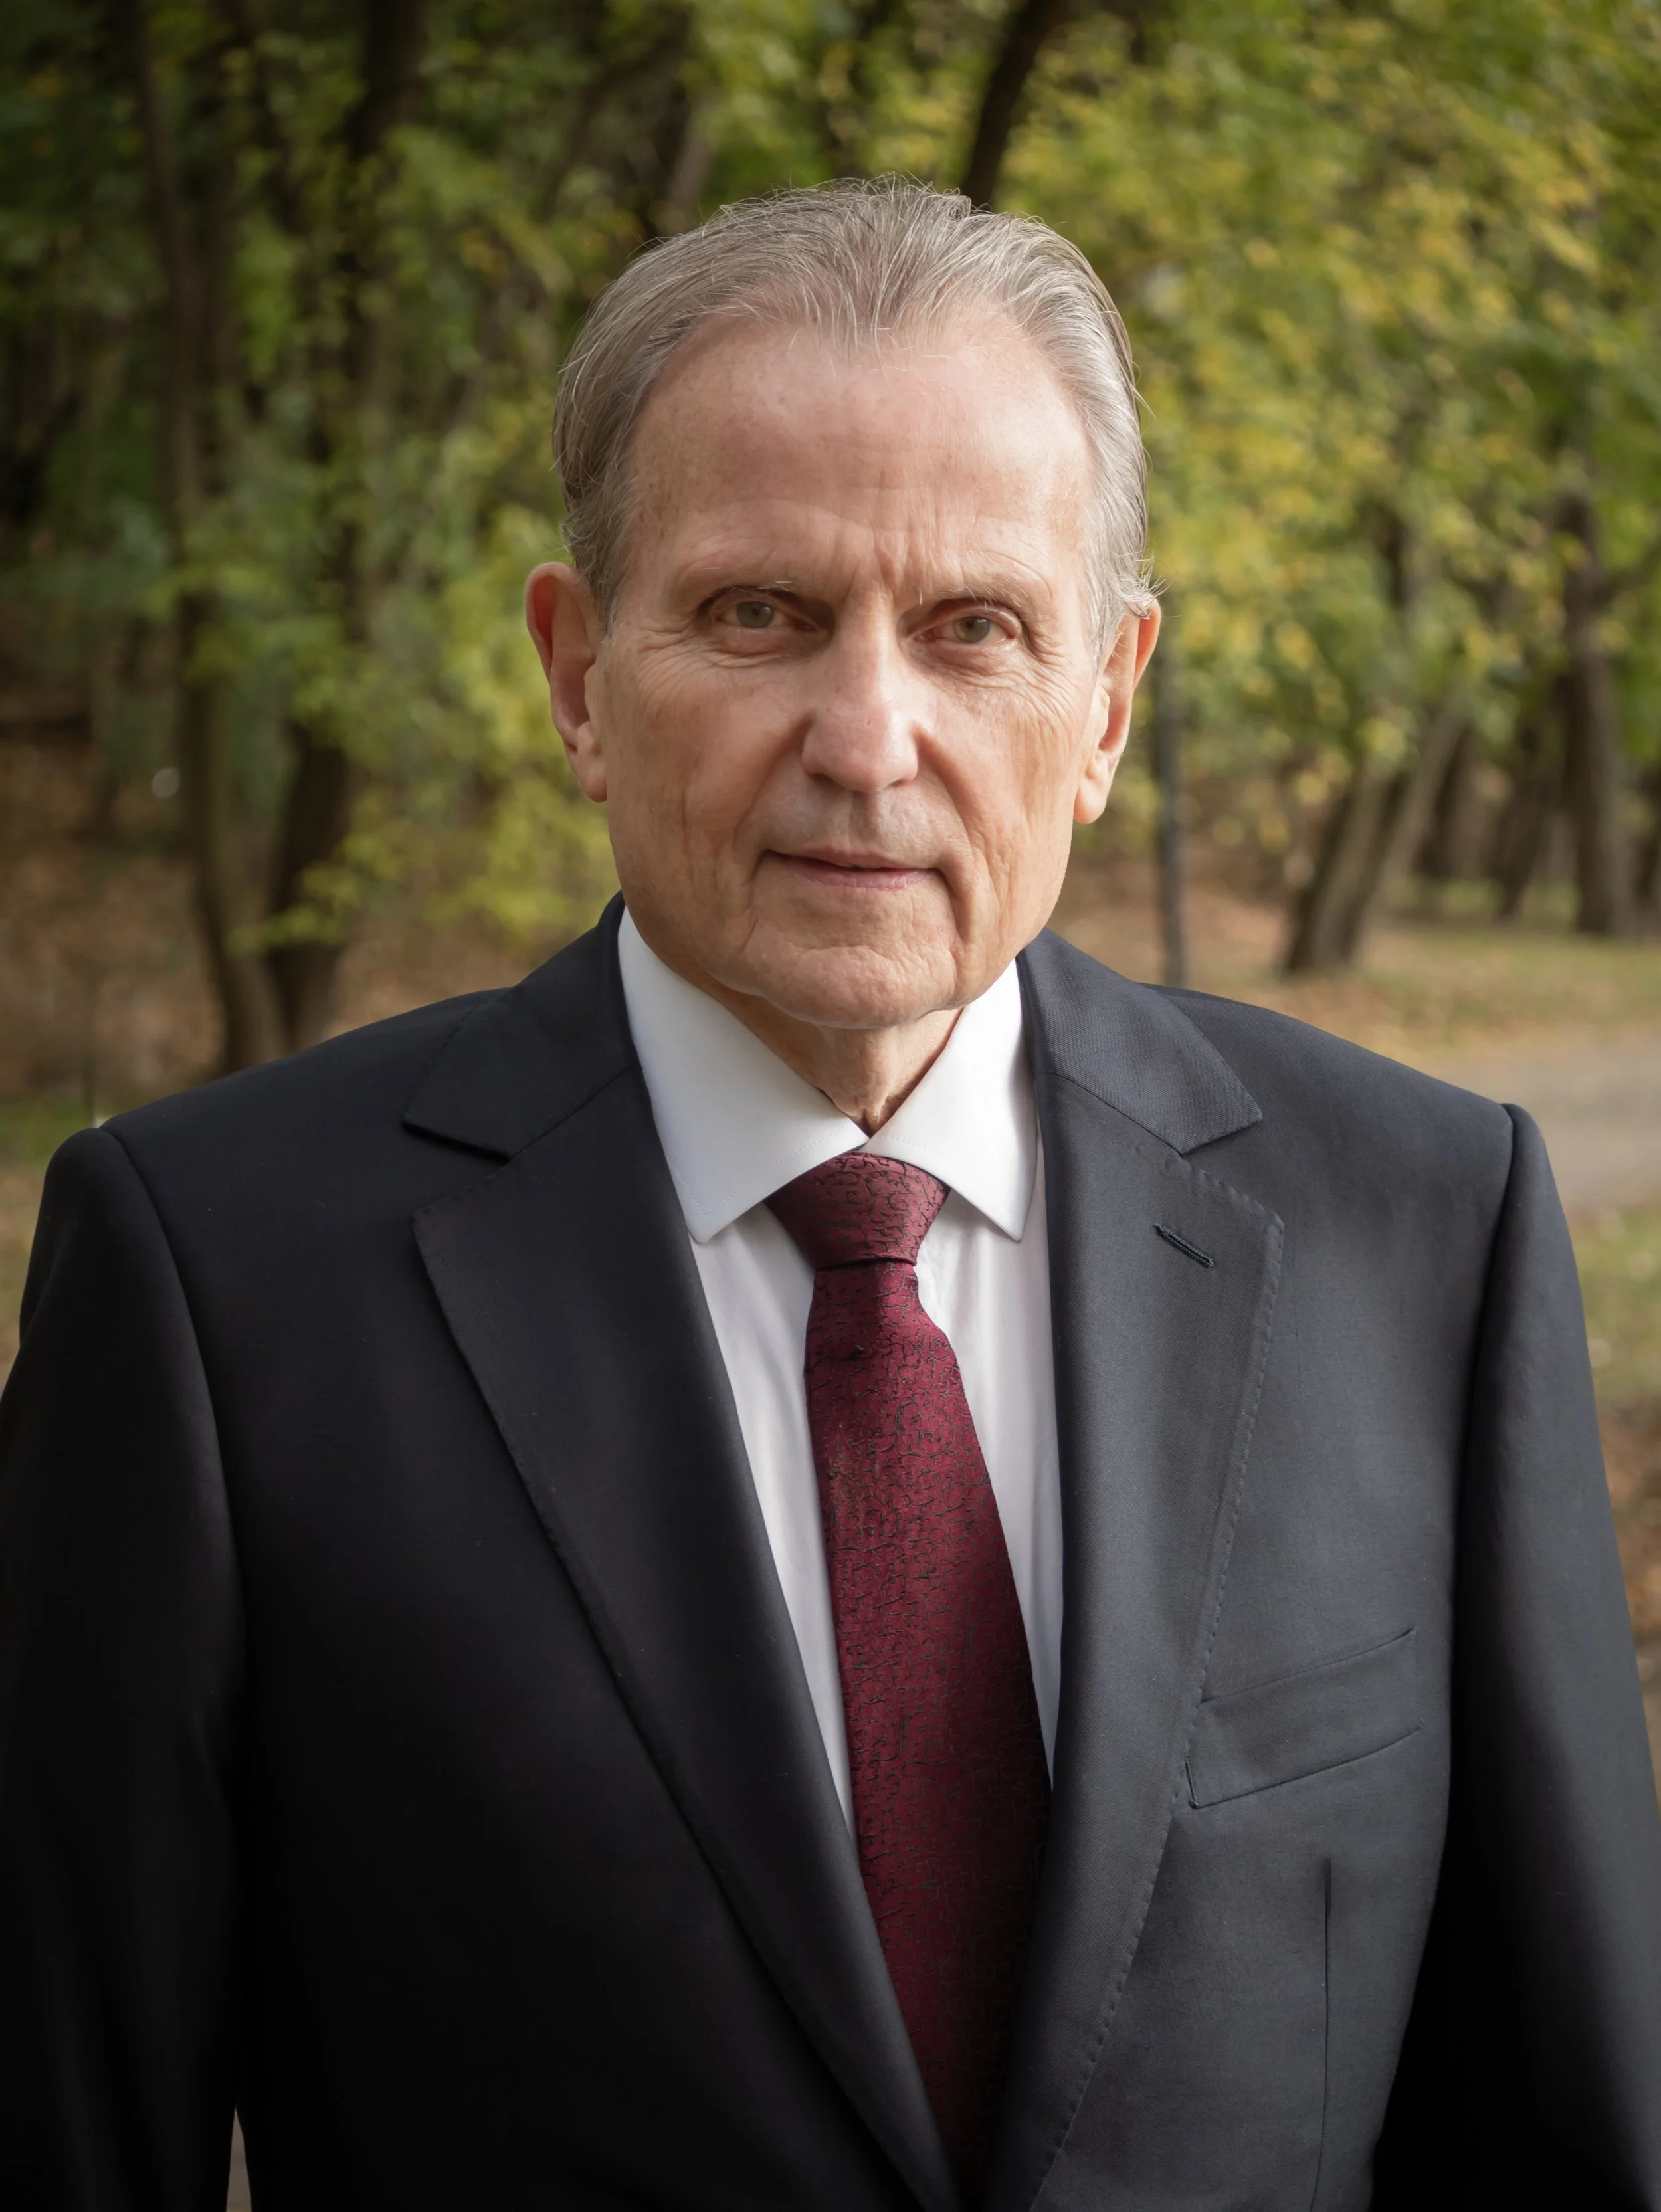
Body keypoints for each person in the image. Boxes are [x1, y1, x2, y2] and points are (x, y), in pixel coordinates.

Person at [1, 177, 1658, 2212]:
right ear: (578, 671)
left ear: (1108, 702)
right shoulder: (212, 1285)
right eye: (757, 615)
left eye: (975, 630)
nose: (868, 741)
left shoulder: (1424, 1227)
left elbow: (1567, 2124)